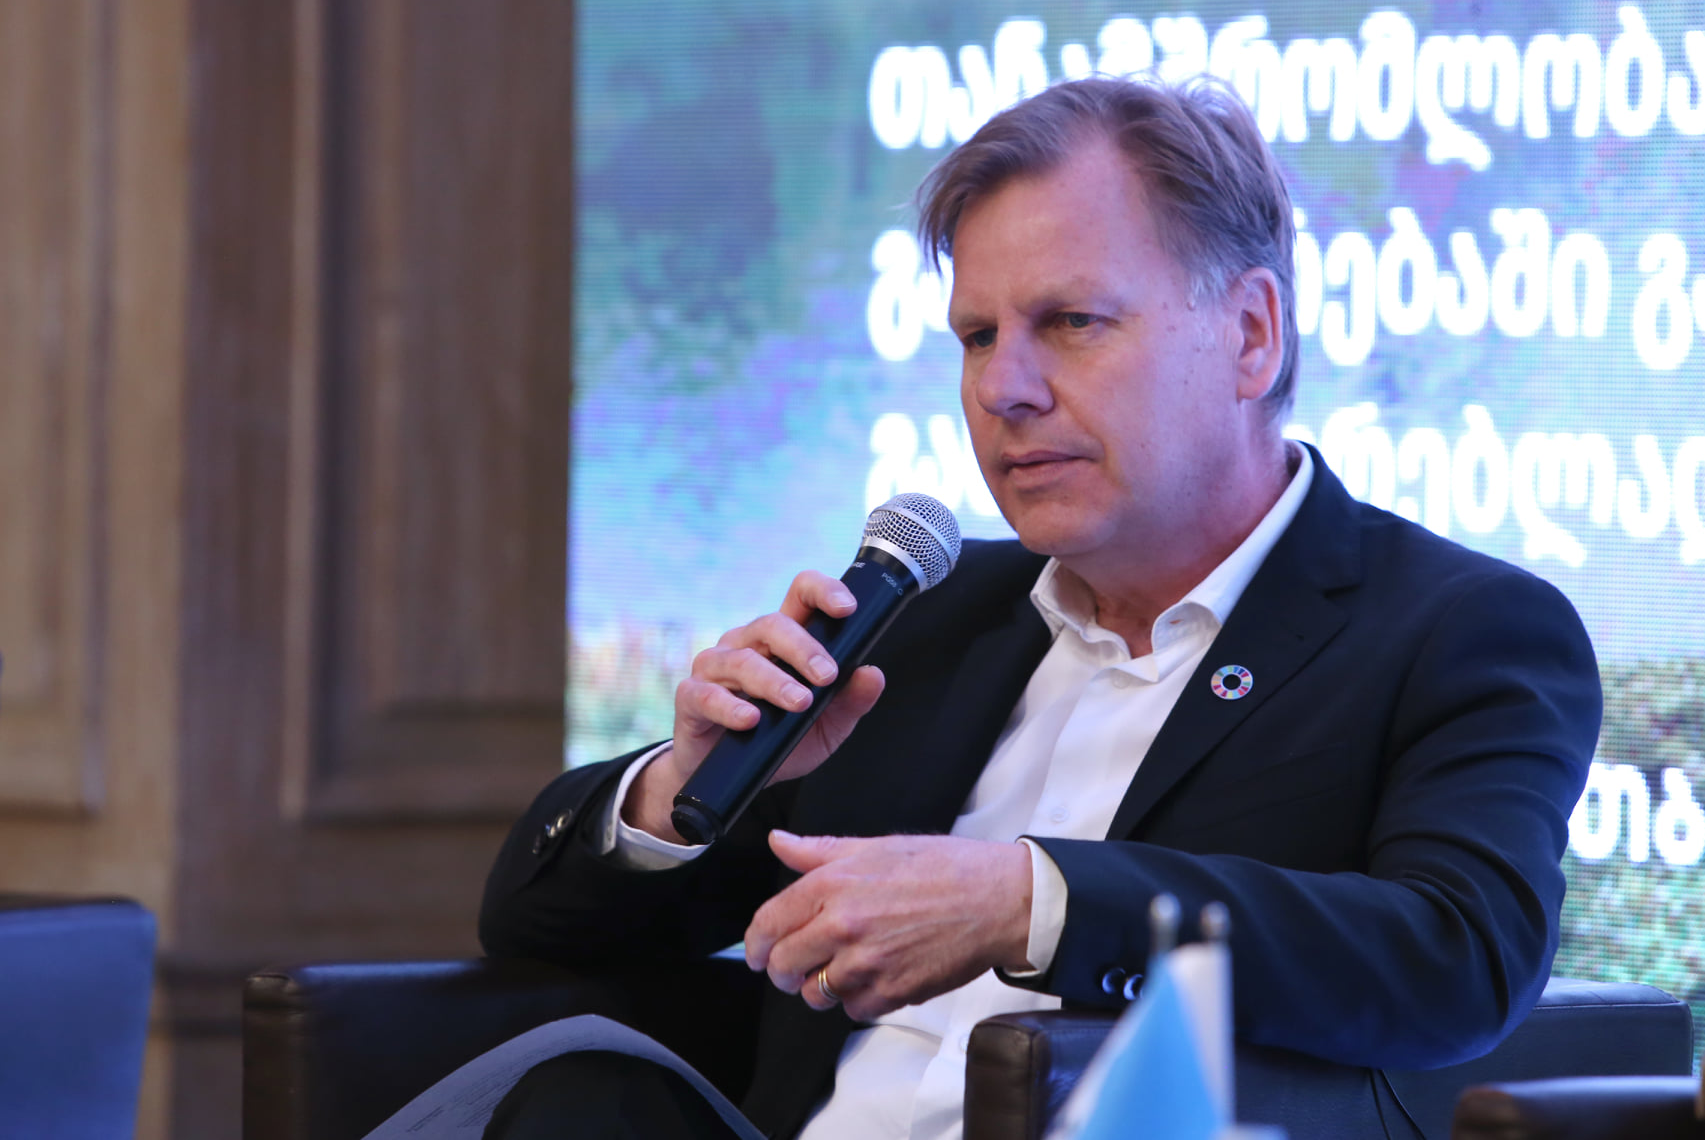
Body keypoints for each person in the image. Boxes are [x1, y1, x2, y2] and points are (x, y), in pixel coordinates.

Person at [478, 76, 1601, 1139]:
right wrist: (686, 792)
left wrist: (1031, 902)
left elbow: (1456, 956)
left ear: (1250, 335)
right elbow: (532, 931)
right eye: (976, 337)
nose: (1002, 389)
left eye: (1069, 322)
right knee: (578, 1102)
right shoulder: (921, 618)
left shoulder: (1453, 632)